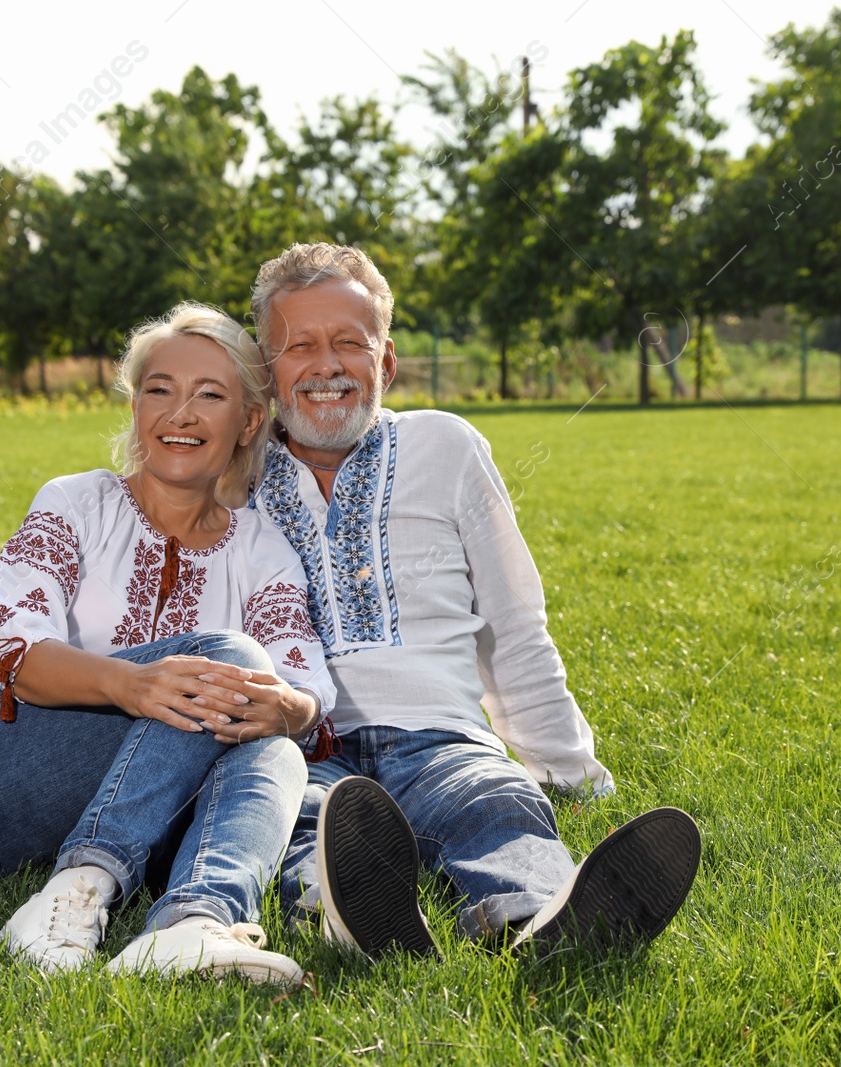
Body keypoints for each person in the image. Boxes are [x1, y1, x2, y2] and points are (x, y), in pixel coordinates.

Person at [247, 243, 702, 958]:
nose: (326, 364)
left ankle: (541, 916)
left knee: (496, 803)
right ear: (265, 370)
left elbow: (513, 621)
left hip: (438, 734)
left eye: (349, 343)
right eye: (298, 344)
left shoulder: (447, 447)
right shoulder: (231, 474)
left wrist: (565, 765)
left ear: (386, 363)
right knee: (297, 823)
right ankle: (349, 919)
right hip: (302, 743)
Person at [0, 303, 336, 986]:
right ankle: (77, 885)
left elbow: (301, 677)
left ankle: (191, 925)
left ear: (249, 421)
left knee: (273, 741)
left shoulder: (263, 549)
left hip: (117, 802)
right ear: (136, 406)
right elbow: (19, 650)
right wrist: (131, 684)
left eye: (210, 395)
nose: (180, 413)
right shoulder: (75, 502)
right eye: (159, 389)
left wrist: (290, 709)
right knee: (230, 661)